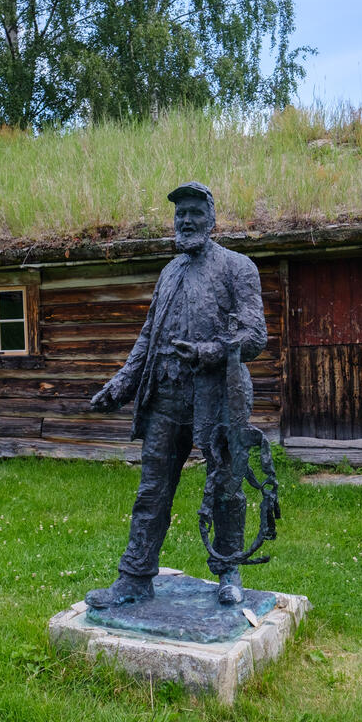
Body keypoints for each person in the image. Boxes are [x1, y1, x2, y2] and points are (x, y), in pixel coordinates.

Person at [85, 181, 267, 608]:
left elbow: (255, 336)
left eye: (194, 213)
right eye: (180, 213)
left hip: (218, 398)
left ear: (211, 218)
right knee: (152, 490)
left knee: (226, 488)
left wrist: (208, 352)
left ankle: (229, 571)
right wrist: (121, 384)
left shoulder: (237, 268)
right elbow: (147, 337)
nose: (185, 220)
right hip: (165, 398)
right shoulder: (169, 273)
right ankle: (134, 577)